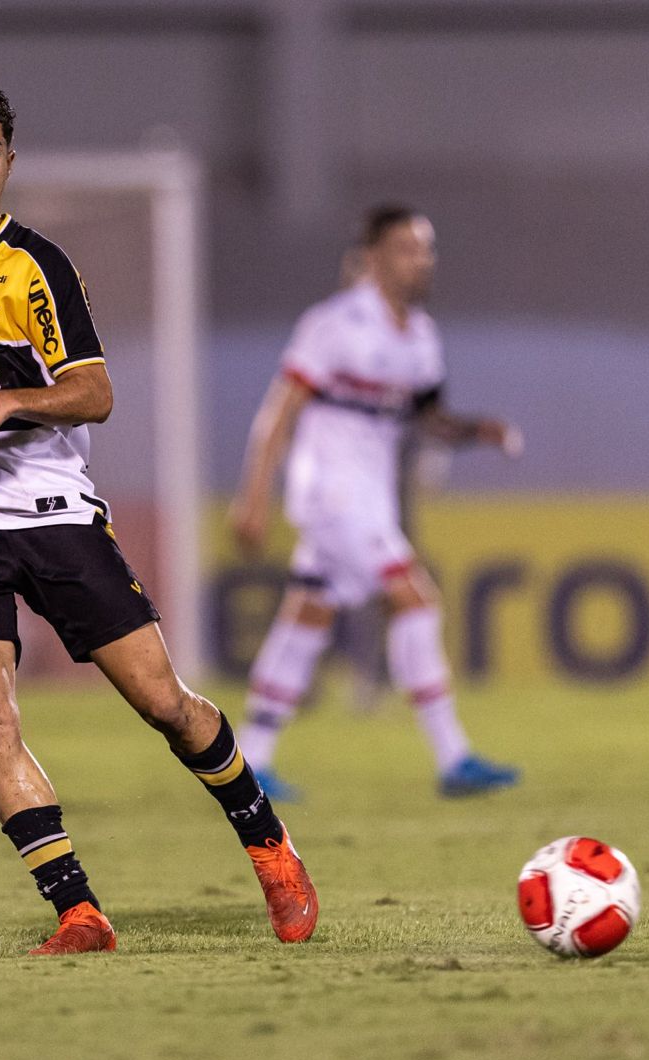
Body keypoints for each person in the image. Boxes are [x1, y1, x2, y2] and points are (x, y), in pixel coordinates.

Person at [0, 81, 317, 955]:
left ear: (10, 160)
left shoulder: (34, 266)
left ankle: (268, 842)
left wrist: (6, 401)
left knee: (163, 701)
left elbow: (96, 392)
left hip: (48, 509)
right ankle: (78, 911)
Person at [230, 205, 522, 801]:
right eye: (409, 248)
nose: (422, 260)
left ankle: (249, 763)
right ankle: (453, 757)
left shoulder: (420, 336)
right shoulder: (334, 324)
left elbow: (429, 420)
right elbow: (279, 412)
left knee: (307, 615)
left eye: (427, 248)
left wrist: (478, 432)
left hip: (370, 496)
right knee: (417, 598)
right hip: (330, 490)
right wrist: (253, 496)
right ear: (376, 256)